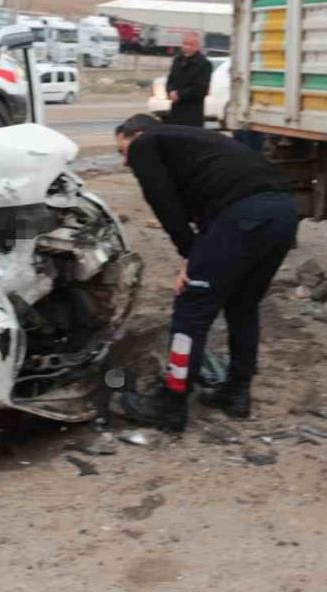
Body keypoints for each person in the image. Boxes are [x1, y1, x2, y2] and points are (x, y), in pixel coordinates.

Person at [114, 114, 298, 431]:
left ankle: (170, 405)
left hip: (243, 216)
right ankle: (237, 393)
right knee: (242, 304)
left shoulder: (147, 143)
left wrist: (190, 254)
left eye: (123, 150)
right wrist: (199, 254)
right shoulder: (194, 142)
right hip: (282, 213)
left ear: (139, 133)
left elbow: (164, 204)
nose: (125, 163)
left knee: (190, 310)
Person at [162, 33, 213, 127]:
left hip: (192, 111)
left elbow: (200, 88)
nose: (187, 47)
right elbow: (170, 80)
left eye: (190, 44)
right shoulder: (178, 60)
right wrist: (170, 91)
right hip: (176, 110)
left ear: (197, 47)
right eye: (185, 43)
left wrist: (180, 95)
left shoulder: (204, 64)